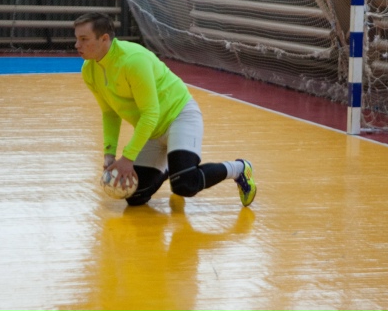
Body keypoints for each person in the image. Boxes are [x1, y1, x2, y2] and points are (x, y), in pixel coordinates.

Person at [74, 12, 257, 207]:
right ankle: (173, 163)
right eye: (77, 38)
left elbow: (150, 113)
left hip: (179, 117)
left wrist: (128, 157)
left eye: (84, 39)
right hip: (152, 130)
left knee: (185, 184)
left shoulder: (133, 60)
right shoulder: (89, 70)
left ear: (104, 39)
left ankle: (239, 168)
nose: (77, 45)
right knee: (135, 196)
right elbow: (110, 112)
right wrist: (109, 155)